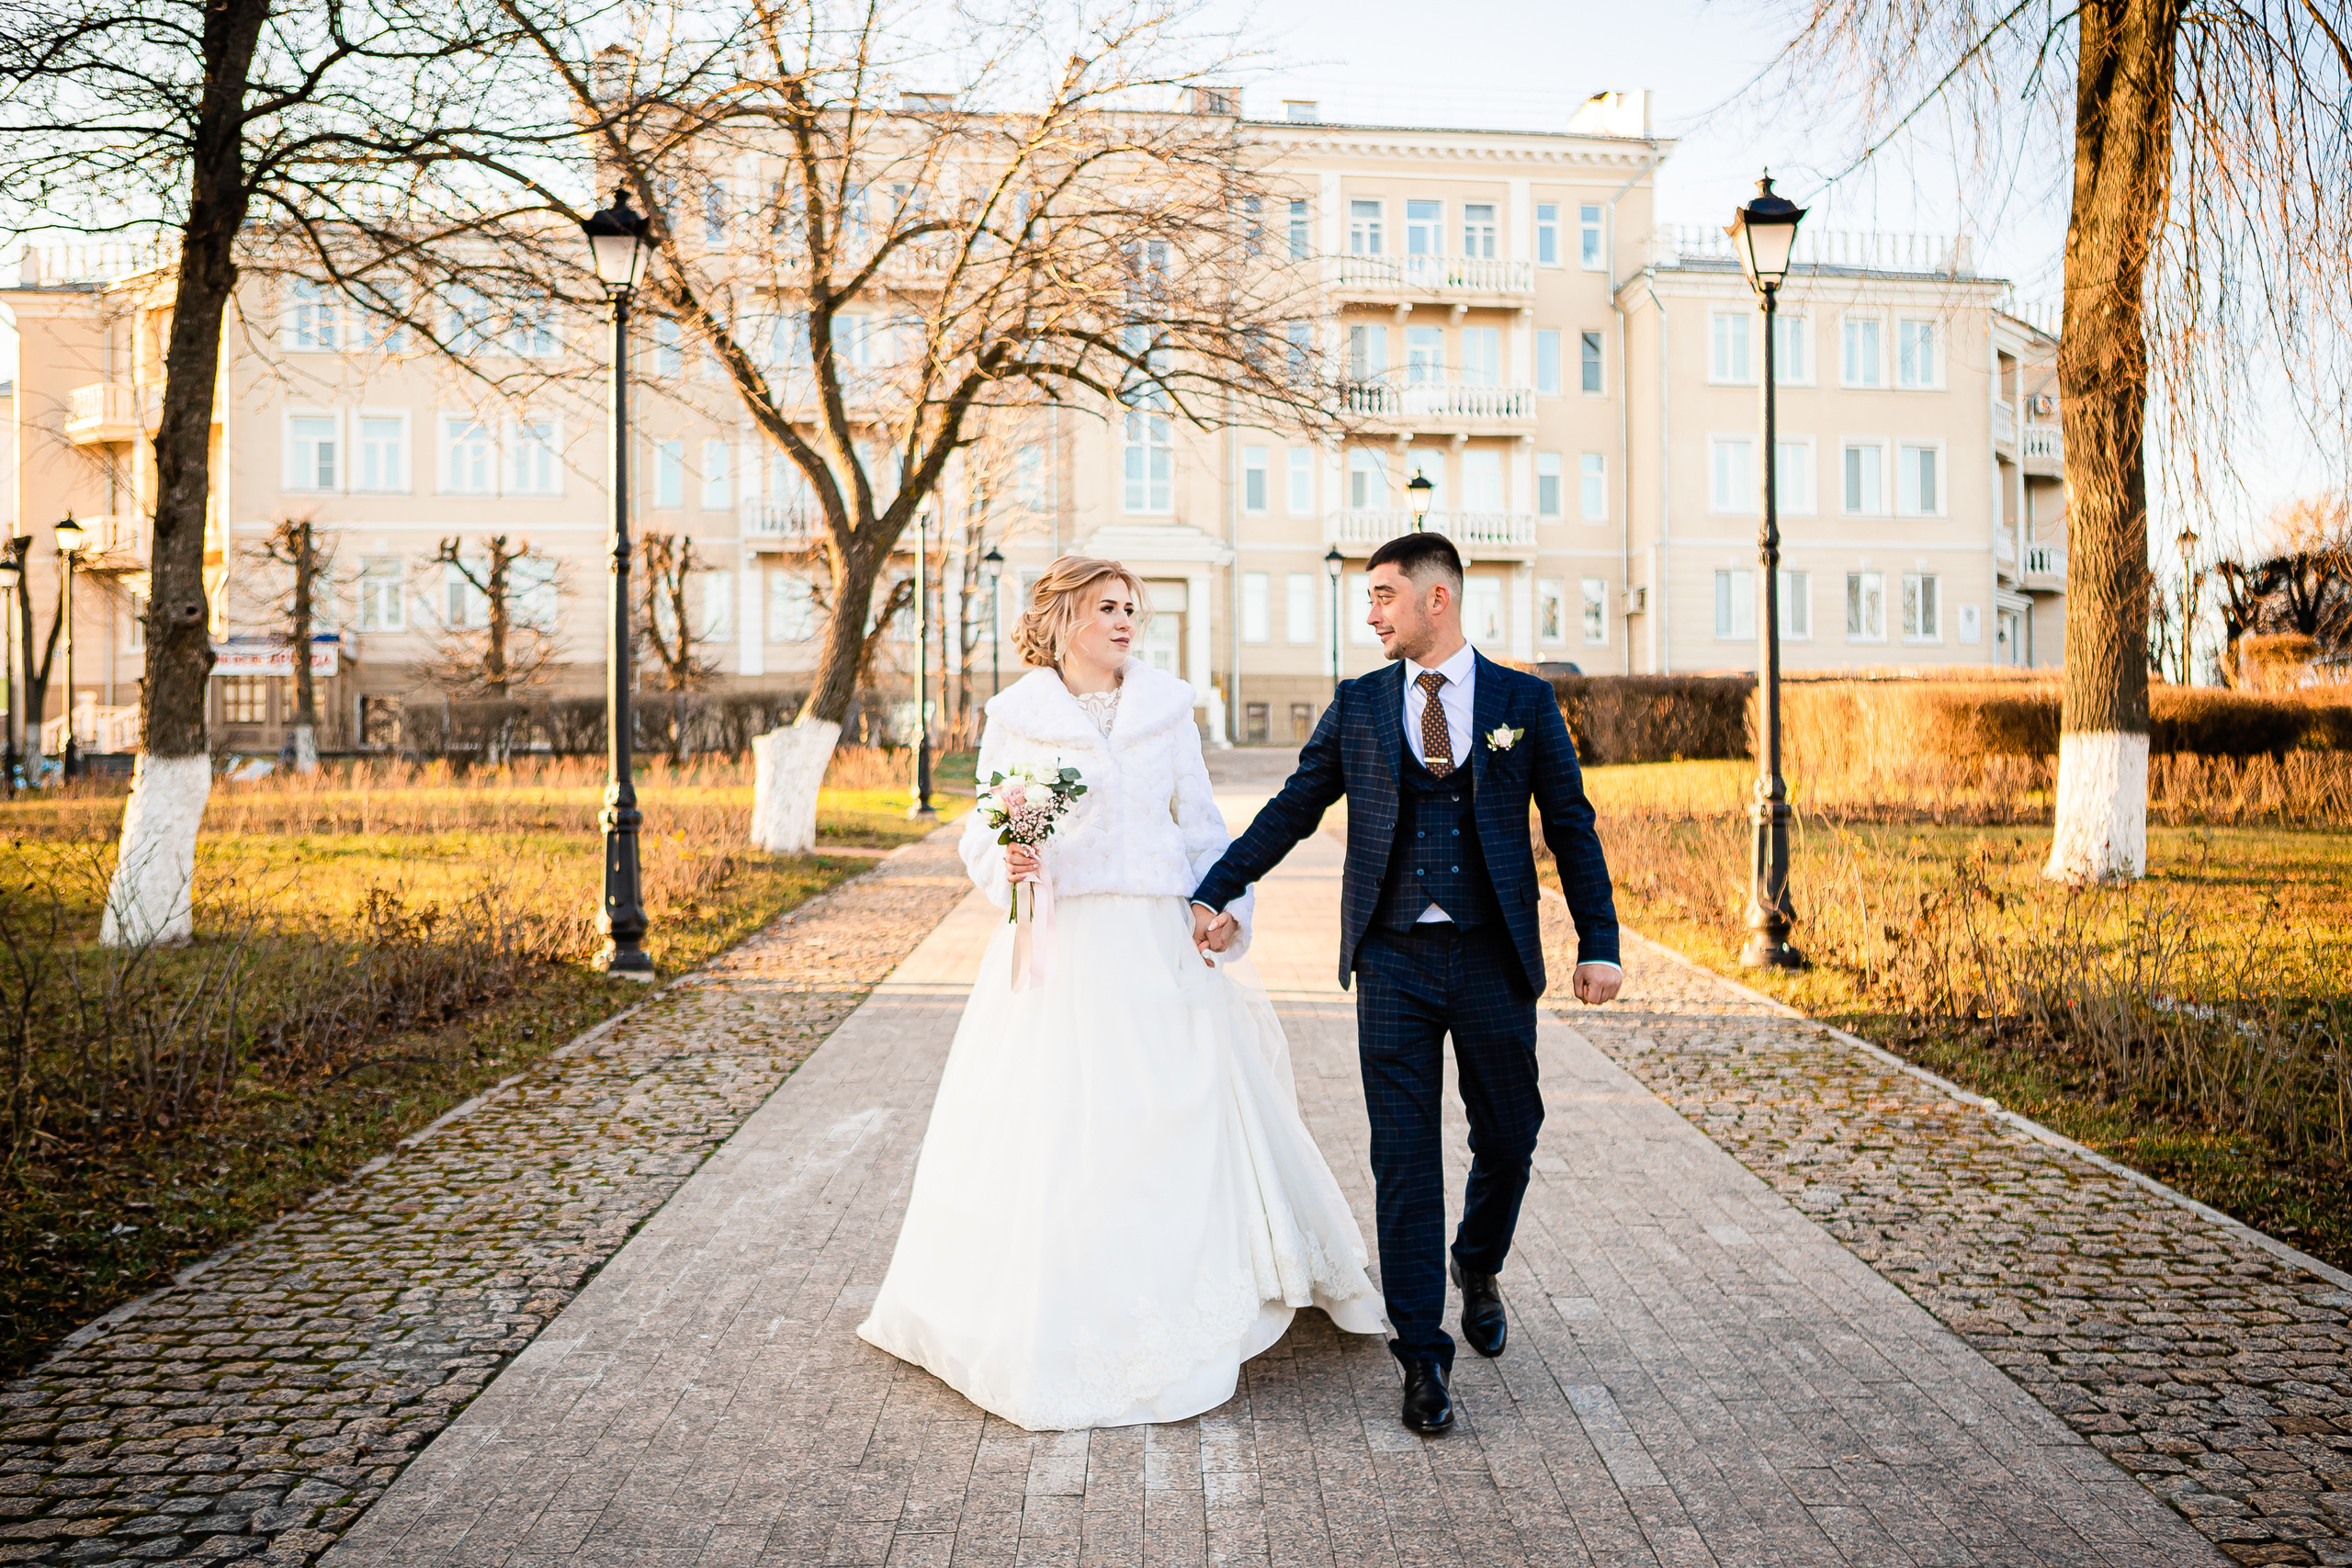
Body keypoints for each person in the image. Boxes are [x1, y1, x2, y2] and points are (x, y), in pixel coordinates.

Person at [857, 556, 1386, 1431]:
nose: (1125, 621)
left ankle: (1192, 1296)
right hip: (1058, 951)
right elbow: (985, 835)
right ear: (1063, 618)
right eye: (1107, 607)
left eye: (1131, 607)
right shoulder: (1015, 717)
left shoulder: (1168, 709)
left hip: (1155, 942)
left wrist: (1224, 905)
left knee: (1171, 1118)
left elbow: (1205, 827)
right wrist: (1012, 864)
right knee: (1060, 1130)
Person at [1190, 531, 1622, 1437]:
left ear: (1437, 599)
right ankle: (1422, 1357)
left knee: (1511, 1133)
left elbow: (1571, 825)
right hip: (1390, 959)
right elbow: (1294, 809)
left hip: (1493, 958)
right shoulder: (1357, 706)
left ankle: (1478, 1259)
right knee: (1403, 1155)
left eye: (1384, 595)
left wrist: (1599, 941)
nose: (1372, 613)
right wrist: (1217, 886)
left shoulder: (1521, 701)